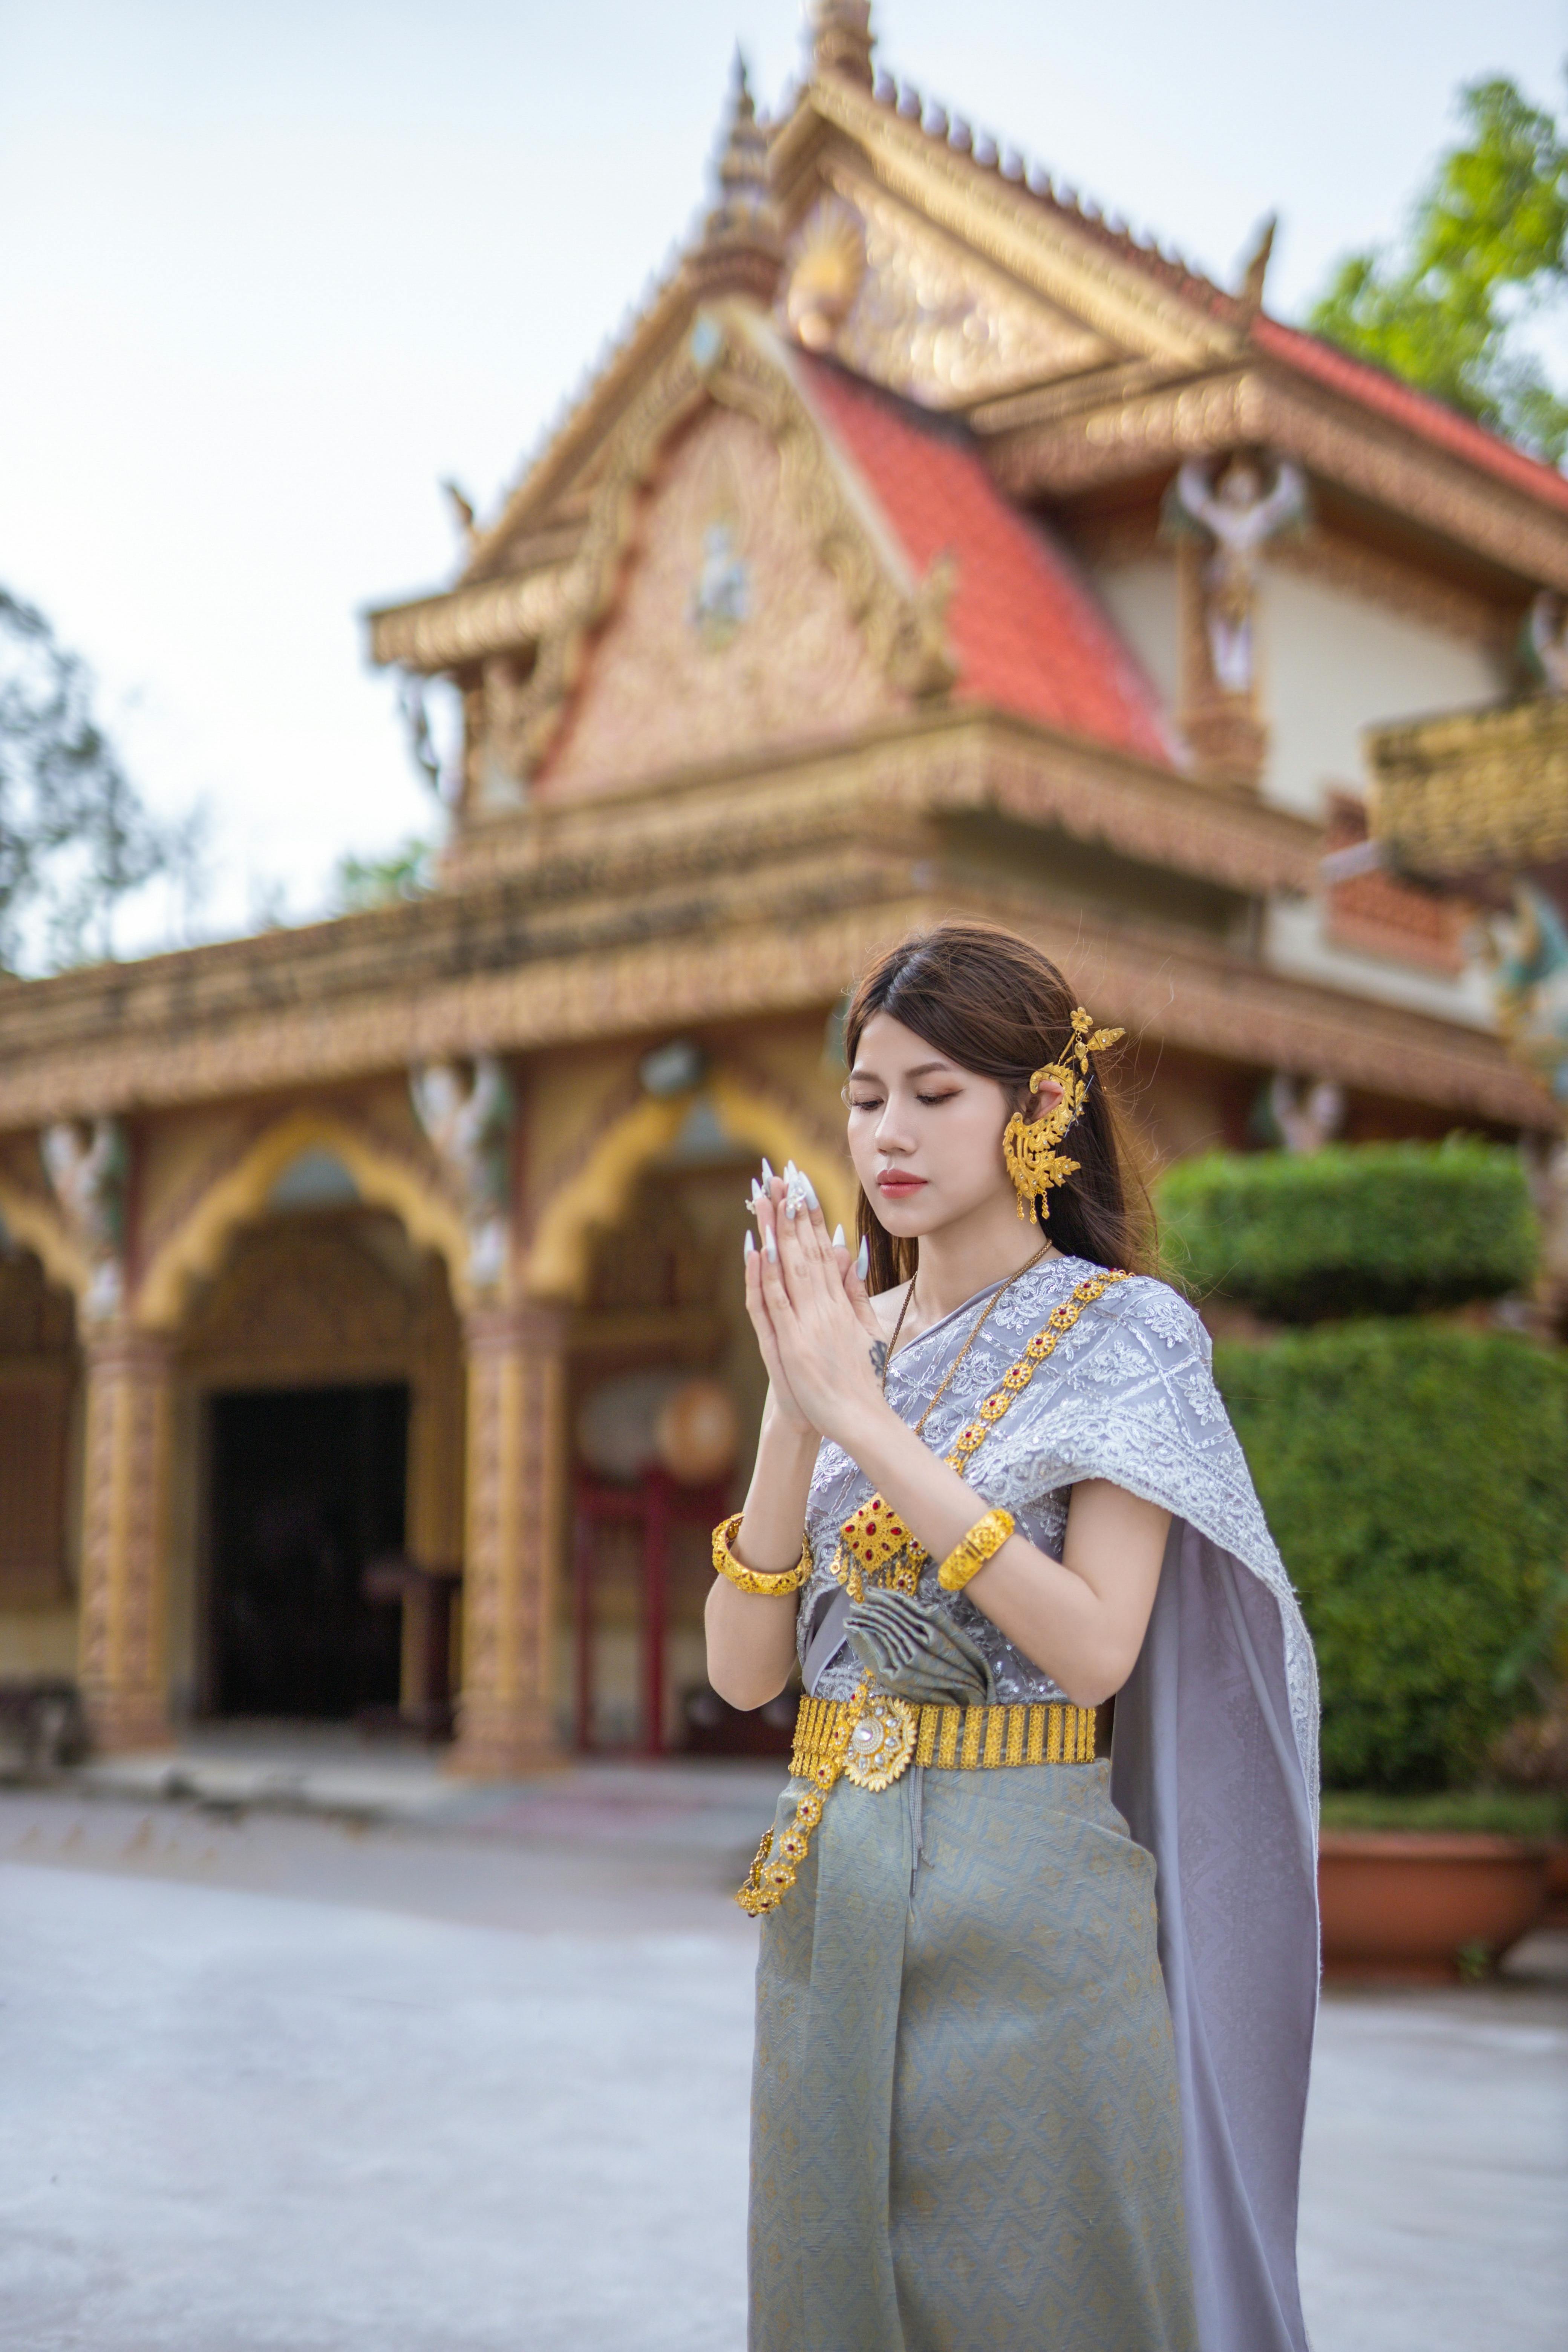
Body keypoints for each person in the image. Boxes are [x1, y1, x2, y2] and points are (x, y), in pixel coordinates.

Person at [705, 920, 1318, 2352]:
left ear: (1038, 1106)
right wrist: (799, 1410)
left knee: (1037, 2293)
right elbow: (745, 1673)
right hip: (828, 1886)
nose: (890, 1134)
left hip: (1031, 1901)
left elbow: (1100, 1646)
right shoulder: (850, 1335)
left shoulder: (1128, 1331)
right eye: (866, 1097)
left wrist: (863, 1416)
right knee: (830, 2290)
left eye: (937, 1092)